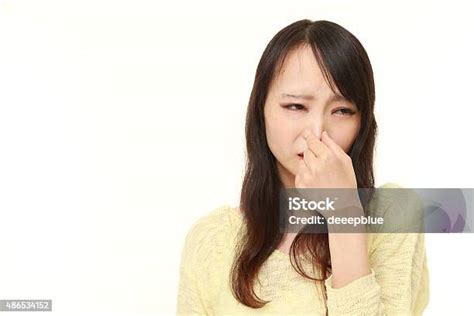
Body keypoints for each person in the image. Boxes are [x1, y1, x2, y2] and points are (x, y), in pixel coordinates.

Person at [176, 19, 429, 315]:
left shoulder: (394, 214)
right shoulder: (212, 239)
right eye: (296, 106)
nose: (317, 131)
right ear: (262, 111)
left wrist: (343, 211)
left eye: (342, 111)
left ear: (362, 123)